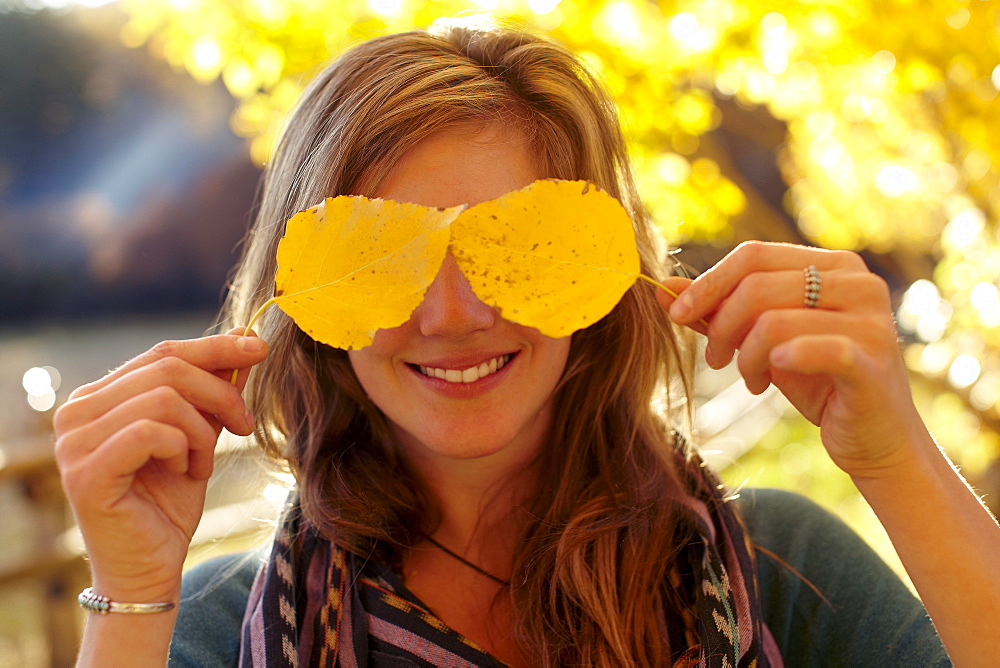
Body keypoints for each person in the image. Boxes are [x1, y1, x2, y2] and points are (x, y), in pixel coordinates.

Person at [54, 18, 999, 667]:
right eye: (389, 259)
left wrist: (892, 455)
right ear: (305, 295)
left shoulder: (781, 571)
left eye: (522, 248)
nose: (452, 315)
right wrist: (131, 594)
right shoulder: (212, 630)